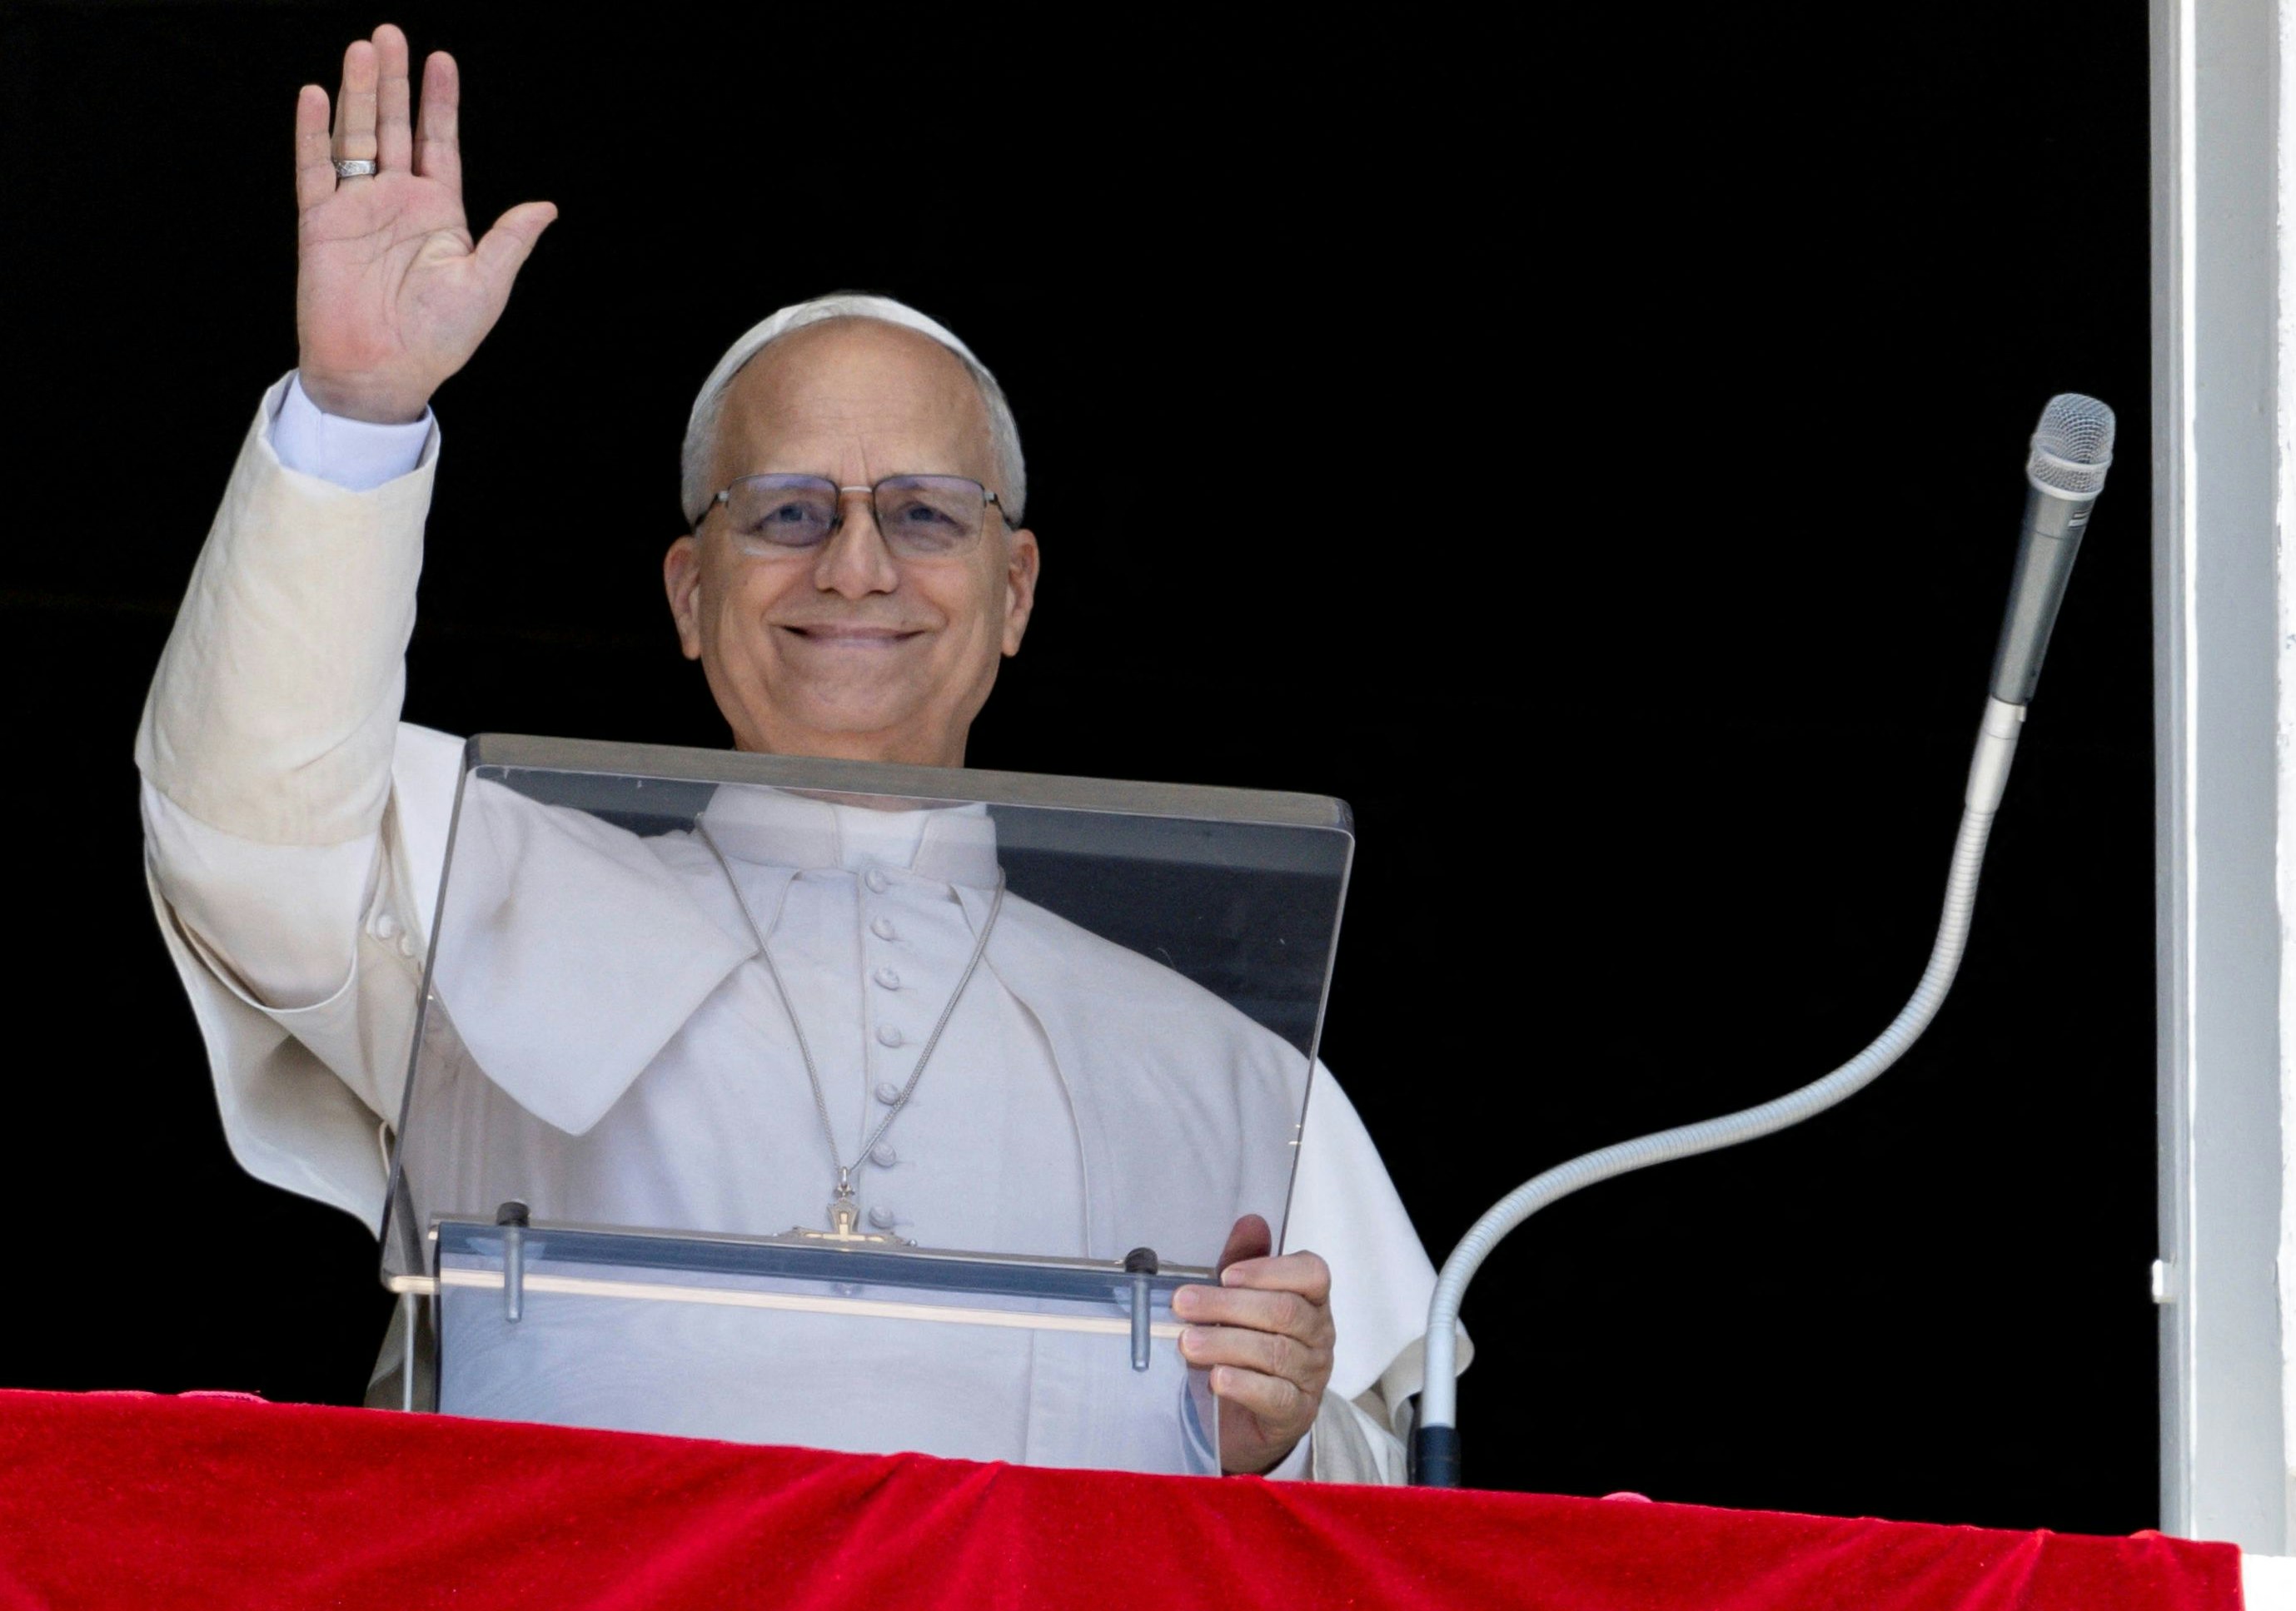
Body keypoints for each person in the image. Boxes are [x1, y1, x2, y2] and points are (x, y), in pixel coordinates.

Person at [138, 25, 1442, 1480]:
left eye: (929, 514)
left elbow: (1391, 1526)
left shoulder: (1236, 1077)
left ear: (1014, 594)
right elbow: (245, 837)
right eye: (787, 512)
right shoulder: (482, 893)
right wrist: (357, 414)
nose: (859, 568)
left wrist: (1273, 1435)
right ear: (690, 597)